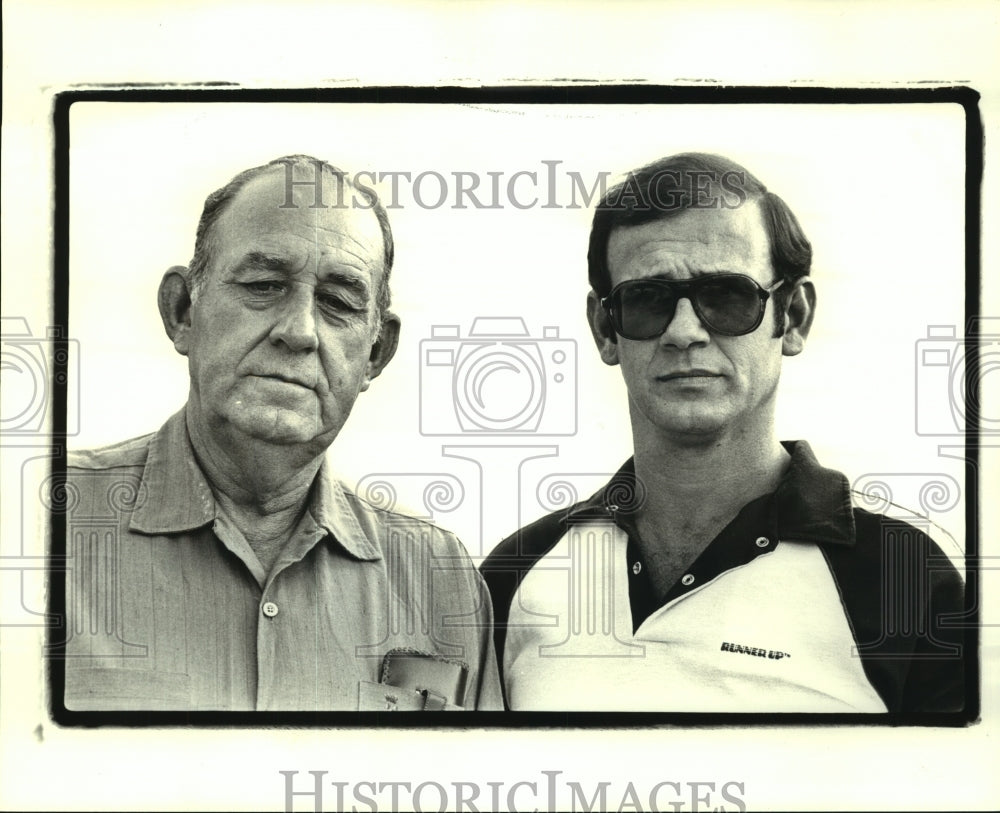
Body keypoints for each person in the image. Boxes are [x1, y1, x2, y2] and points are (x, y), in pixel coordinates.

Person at [480, 153, 966, 713]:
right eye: (647, 300)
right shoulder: (516, 573)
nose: (685, 332)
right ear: (605, 331)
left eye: (727, 296)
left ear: (794, 316)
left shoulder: (903, 578)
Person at [62, 155, 502, 711]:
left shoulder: (440, 580)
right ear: (182, 313)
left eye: (339, 303)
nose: (298, 331)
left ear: (376, 354)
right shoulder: (41, 530)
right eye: (264, 284)